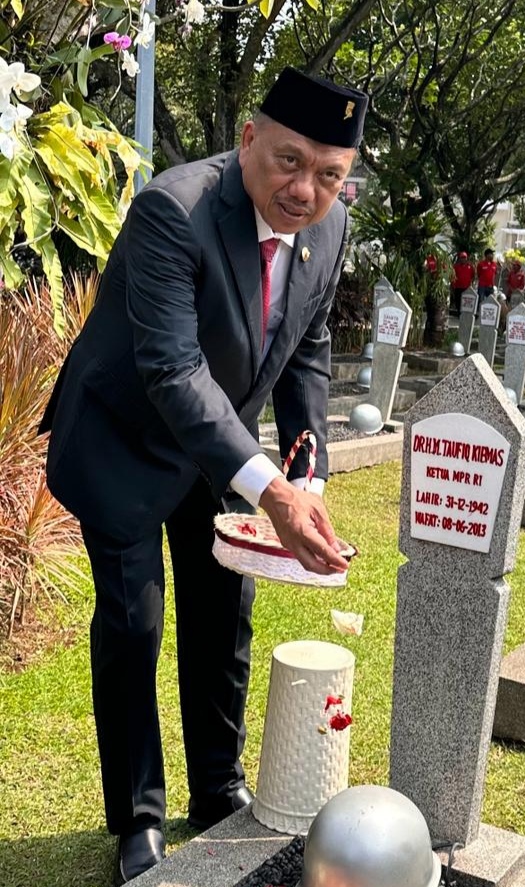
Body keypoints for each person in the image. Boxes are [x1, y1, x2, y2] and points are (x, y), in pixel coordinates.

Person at [39, 68, 368, 885]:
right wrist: (271, 491)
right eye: (290, 162)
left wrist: (307, 475)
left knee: (225, 610)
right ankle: (138, 818)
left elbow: (307, 350)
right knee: (135, 621)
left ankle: (218, 783)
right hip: (123, 436)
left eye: (329, 174)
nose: (305, 190)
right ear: (249, 139)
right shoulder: (172, 211)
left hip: (216, 448)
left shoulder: (330, 229)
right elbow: (173, 370)